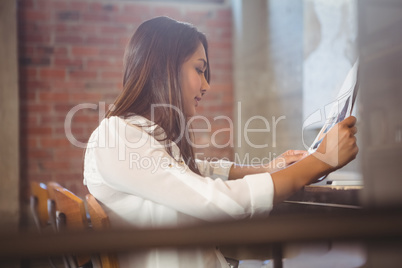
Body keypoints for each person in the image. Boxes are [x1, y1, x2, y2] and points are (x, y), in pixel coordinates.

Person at [83, 16, 358, 268]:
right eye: (199, 70)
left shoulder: (135, 135)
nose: (206, 85)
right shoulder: (116, 138)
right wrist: (320, 160)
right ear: (163, 68)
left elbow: (194, 169)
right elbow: (214, 201)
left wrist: (269, 168)